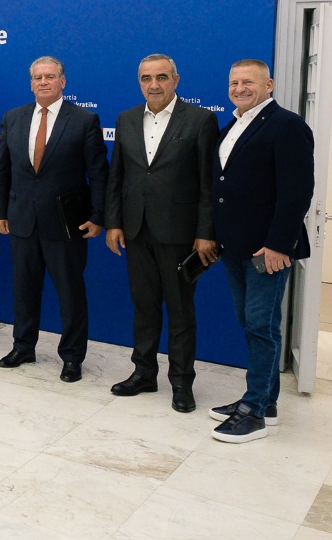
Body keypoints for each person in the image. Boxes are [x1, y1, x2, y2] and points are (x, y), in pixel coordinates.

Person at [104, 54, 219, 413]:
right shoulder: (126, 118)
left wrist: (205, 232)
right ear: (139, 81)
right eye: (146, 78)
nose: (154, 84)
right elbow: (117, 176)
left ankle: (182, 382)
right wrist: (114, 222)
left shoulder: (200, 120)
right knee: (144, 307)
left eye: (161, 77)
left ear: (175, 80)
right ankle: (144, 373)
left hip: (180, 234)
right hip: (136, 230)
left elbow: (208, 183)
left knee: (181, 312)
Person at [208, 59, 314, 443]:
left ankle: (252, 411)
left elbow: (297, 191)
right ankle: (266, 402)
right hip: (234, 247)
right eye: (234, 82)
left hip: (267, 250)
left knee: (260, 326)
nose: (239, 88)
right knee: (255, 323)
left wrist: (279, 244)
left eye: (248, 82)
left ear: (268, 85)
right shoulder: (232, 126)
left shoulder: (287, 125)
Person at [0, 56, 108, 383]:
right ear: (31, 83)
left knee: (70, 294)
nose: (43, 82)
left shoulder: (84, 119)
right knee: (24, 289)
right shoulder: (13, 117)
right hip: (22, 221)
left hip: (66, 224)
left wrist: (98, 216)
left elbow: (99, 174)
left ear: (62, 81)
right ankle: (23, 346)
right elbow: (2, 170)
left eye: (50, 76)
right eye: (38, 77)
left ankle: (72, 356)